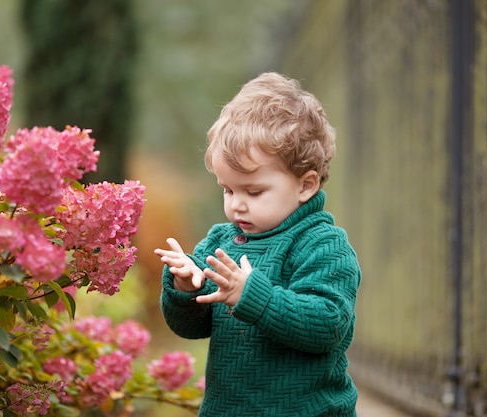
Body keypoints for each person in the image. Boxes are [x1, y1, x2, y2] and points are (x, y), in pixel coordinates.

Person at [154, 72, 361, 417]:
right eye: (227, 189)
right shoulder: (221, 241)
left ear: (305, 185)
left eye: (254, 191)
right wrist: (186, 289)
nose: (237, 204)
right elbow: (190, 328)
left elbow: (328, 324)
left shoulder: (323, 245)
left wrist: (253, 296)